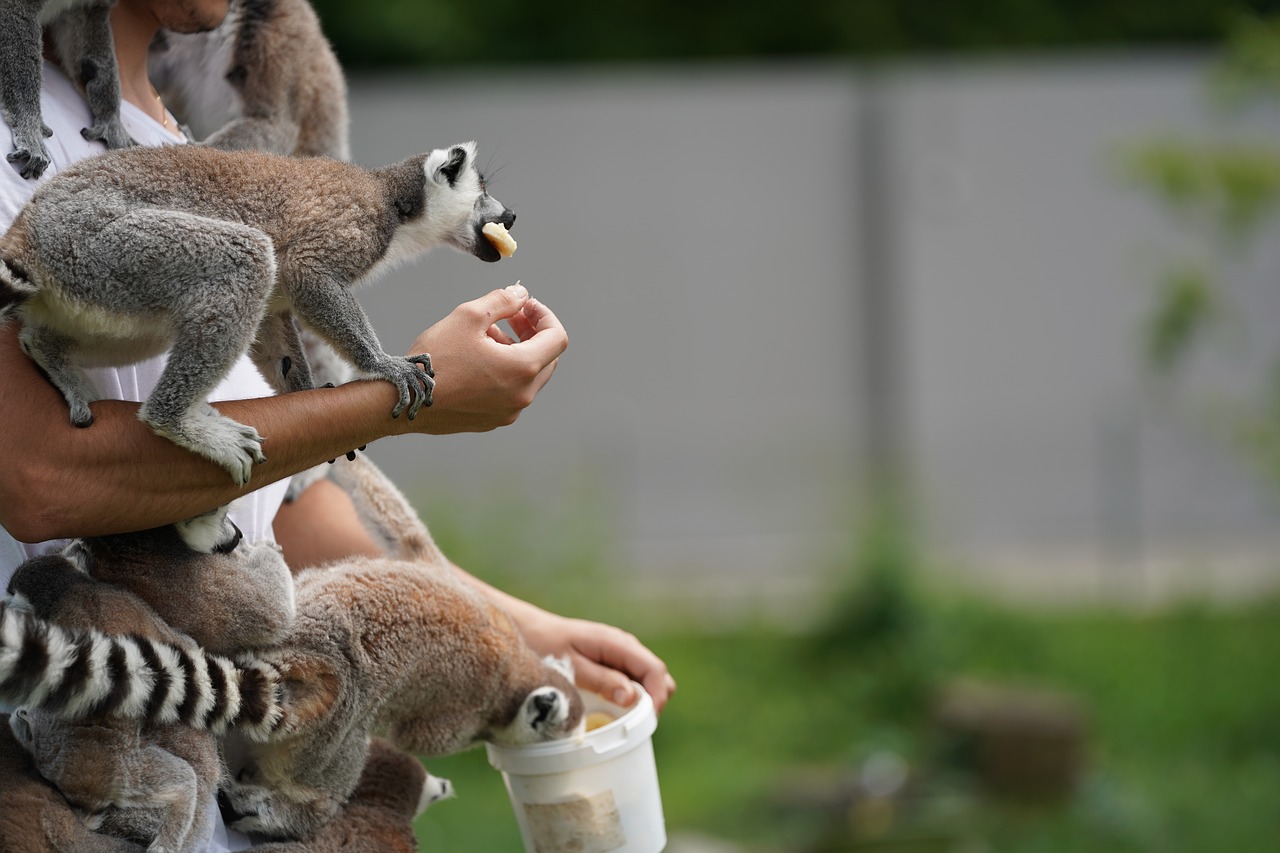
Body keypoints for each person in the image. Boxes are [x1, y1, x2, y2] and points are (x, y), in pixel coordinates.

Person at [0, 0, 675, 849]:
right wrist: (402, 395)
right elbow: (37, 477)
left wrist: (522, 637)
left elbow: (284, 503)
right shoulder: (23, 142)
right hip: (79, 723)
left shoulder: (191, 154)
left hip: (196, 753)